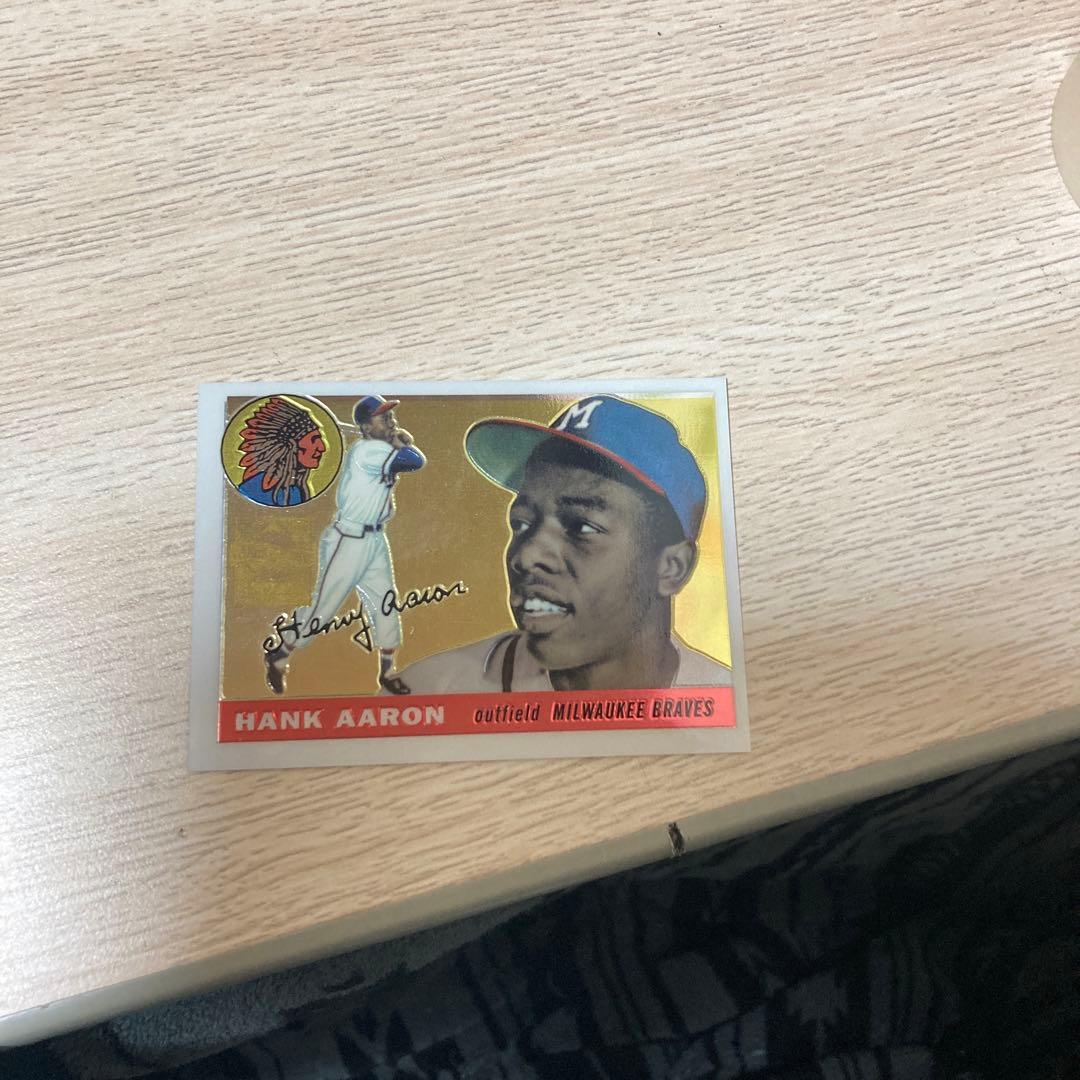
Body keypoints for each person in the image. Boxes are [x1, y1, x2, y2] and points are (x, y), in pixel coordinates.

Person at [394, 395, 731, 693]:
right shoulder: (425, 694)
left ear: (672, 567)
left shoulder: (728, 705)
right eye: (521, 523)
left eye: (581, 527)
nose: (526, 556)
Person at [264, 394, 425, 695]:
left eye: (390, 415)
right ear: (367, 426)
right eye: (383, 417)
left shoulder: (380, 446)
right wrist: (399, 443)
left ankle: (387, 671)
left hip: (375, 538)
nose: (391, 421)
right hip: (348, 540)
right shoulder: (367, 450)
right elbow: (414, 461)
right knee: (323, 611)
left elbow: (410, 458)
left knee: (386, 603)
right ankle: (280, 654)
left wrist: (397, 441)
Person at [236, 396, 327, 506]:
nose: (322, 448)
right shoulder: (255, 490)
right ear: (290, 445)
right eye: (313, 440)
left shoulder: (294, 489)